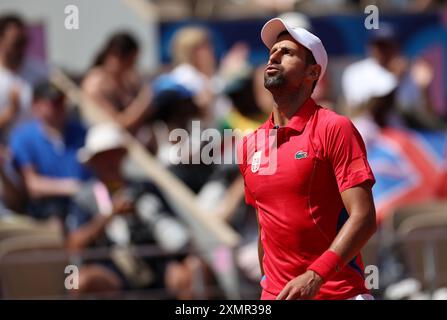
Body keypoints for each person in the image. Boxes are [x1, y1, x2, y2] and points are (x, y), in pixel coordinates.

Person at [237, 17, 377, 300]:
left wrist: (315, 275)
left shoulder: (334, 128)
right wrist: (268, 284)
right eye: (272, 52)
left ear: (313, 72)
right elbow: (265, 226)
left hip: (340, 294)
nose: (274, 56)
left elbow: (364, 217)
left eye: (287, 52)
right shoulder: (251, 144)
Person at [66, 122, 190, 296]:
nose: (109, 161)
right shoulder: (85, 198)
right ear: (93, 161)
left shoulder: (145, 188)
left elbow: (174, 227)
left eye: (113, 154)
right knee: (78, 281)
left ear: (121, 155)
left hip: (154, 263)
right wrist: (110, 215)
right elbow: (74, 244)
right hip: (112, 269)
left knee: (190, 271)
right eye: (103, 156)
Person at [8, 82, 90, 220]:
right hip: (47, 207)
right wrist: (72, 187)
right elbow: (32, 185)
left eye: (61, 101)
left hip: (84, 201)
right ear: (36, 105)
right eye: (53, 103)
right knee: (54, 217)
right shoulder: (24, 138)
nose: (59, 107)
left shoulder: (81, 132)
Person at [82, 32, 151, 133]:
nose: (133, 67)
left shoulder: (127, 80)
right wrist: (144, 102)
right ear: (118, 56)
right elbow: (117, 124)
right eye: (131, 61)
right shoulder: (95, 85)